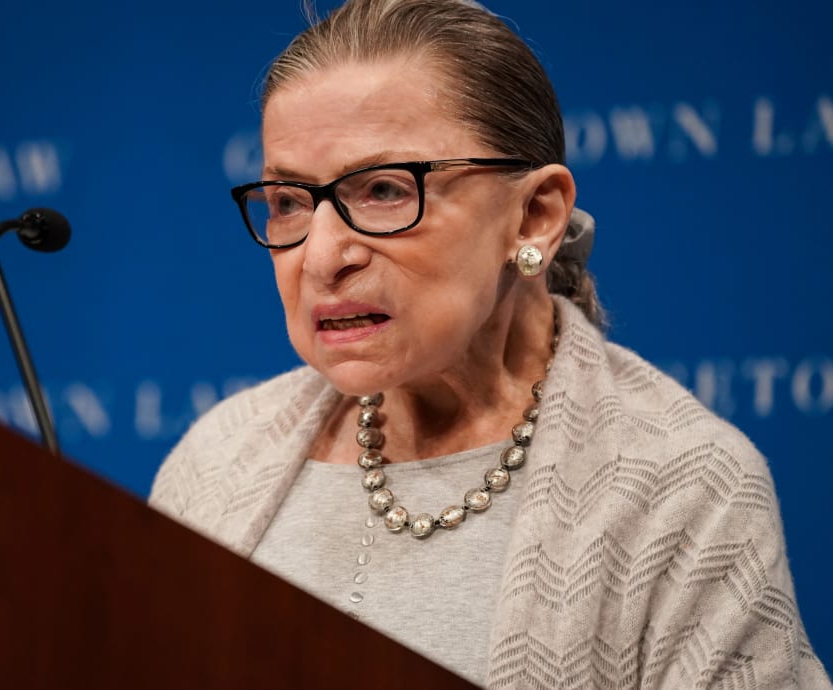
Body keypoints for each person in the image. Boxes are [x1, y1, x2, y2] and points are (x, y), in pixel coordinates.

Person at [149, 0, 830, 686]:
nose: (321, 257)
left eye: (384, 189)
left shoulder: (683, 487)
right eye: (289, 202)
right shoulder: (216, 460)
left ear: (534, 217)